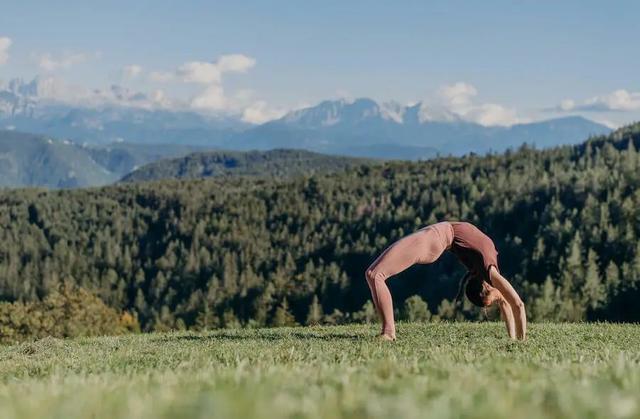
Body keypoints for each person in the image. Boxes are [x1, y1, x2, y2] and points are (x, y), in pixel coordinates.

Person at [365, 221, 526, 341]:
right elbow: (516, 304)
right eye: (493, 300)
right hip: (434, 236)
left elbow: (508, 303)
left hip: (434, 236)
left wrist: (515, 341)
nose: (499, 298)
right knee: (374, 274)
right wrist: (519, 342)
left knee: (374, 274)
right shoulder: (488, 268)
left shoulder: (485, 267)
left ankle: (388, 332)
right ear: (486, 287)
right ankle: (388, 332)